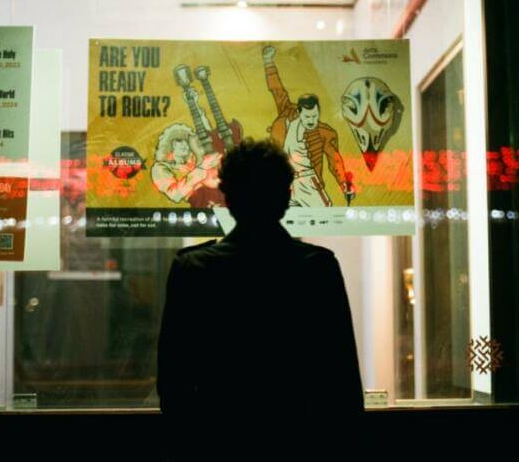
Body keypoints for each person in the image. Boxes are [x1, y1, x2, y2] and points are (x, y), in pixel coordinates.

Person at [156, 138, 364, 459]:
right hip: (301, 440)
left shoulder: (194, 269)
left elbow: (175, 383)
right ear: (285, 196)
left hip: (217, 440)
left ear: (228, 196)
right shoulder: (317, 268)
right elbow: (341, 379)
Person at [262, 45, 355, 207]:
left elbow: (335, 161)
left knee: (324, 219)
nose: (311, 120)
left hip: (309, 184)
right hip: (284, 184)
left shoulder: (325, 132)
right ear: (299, 112)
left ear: (319, 112)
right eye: (307, 116)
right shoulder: (288, 115)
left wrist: (344, 184)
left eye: (314, 116)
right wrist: (268, 63)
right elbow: (278, 90)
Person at [151, 122, 224, 208]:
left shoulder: (194, 157)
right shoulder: (159, 168)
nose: (184, 145)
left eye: (186, 141)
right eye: (179, 141)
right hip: (203, 203)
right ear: (169, 145)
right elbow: (175, 194)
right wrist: (201, 169)